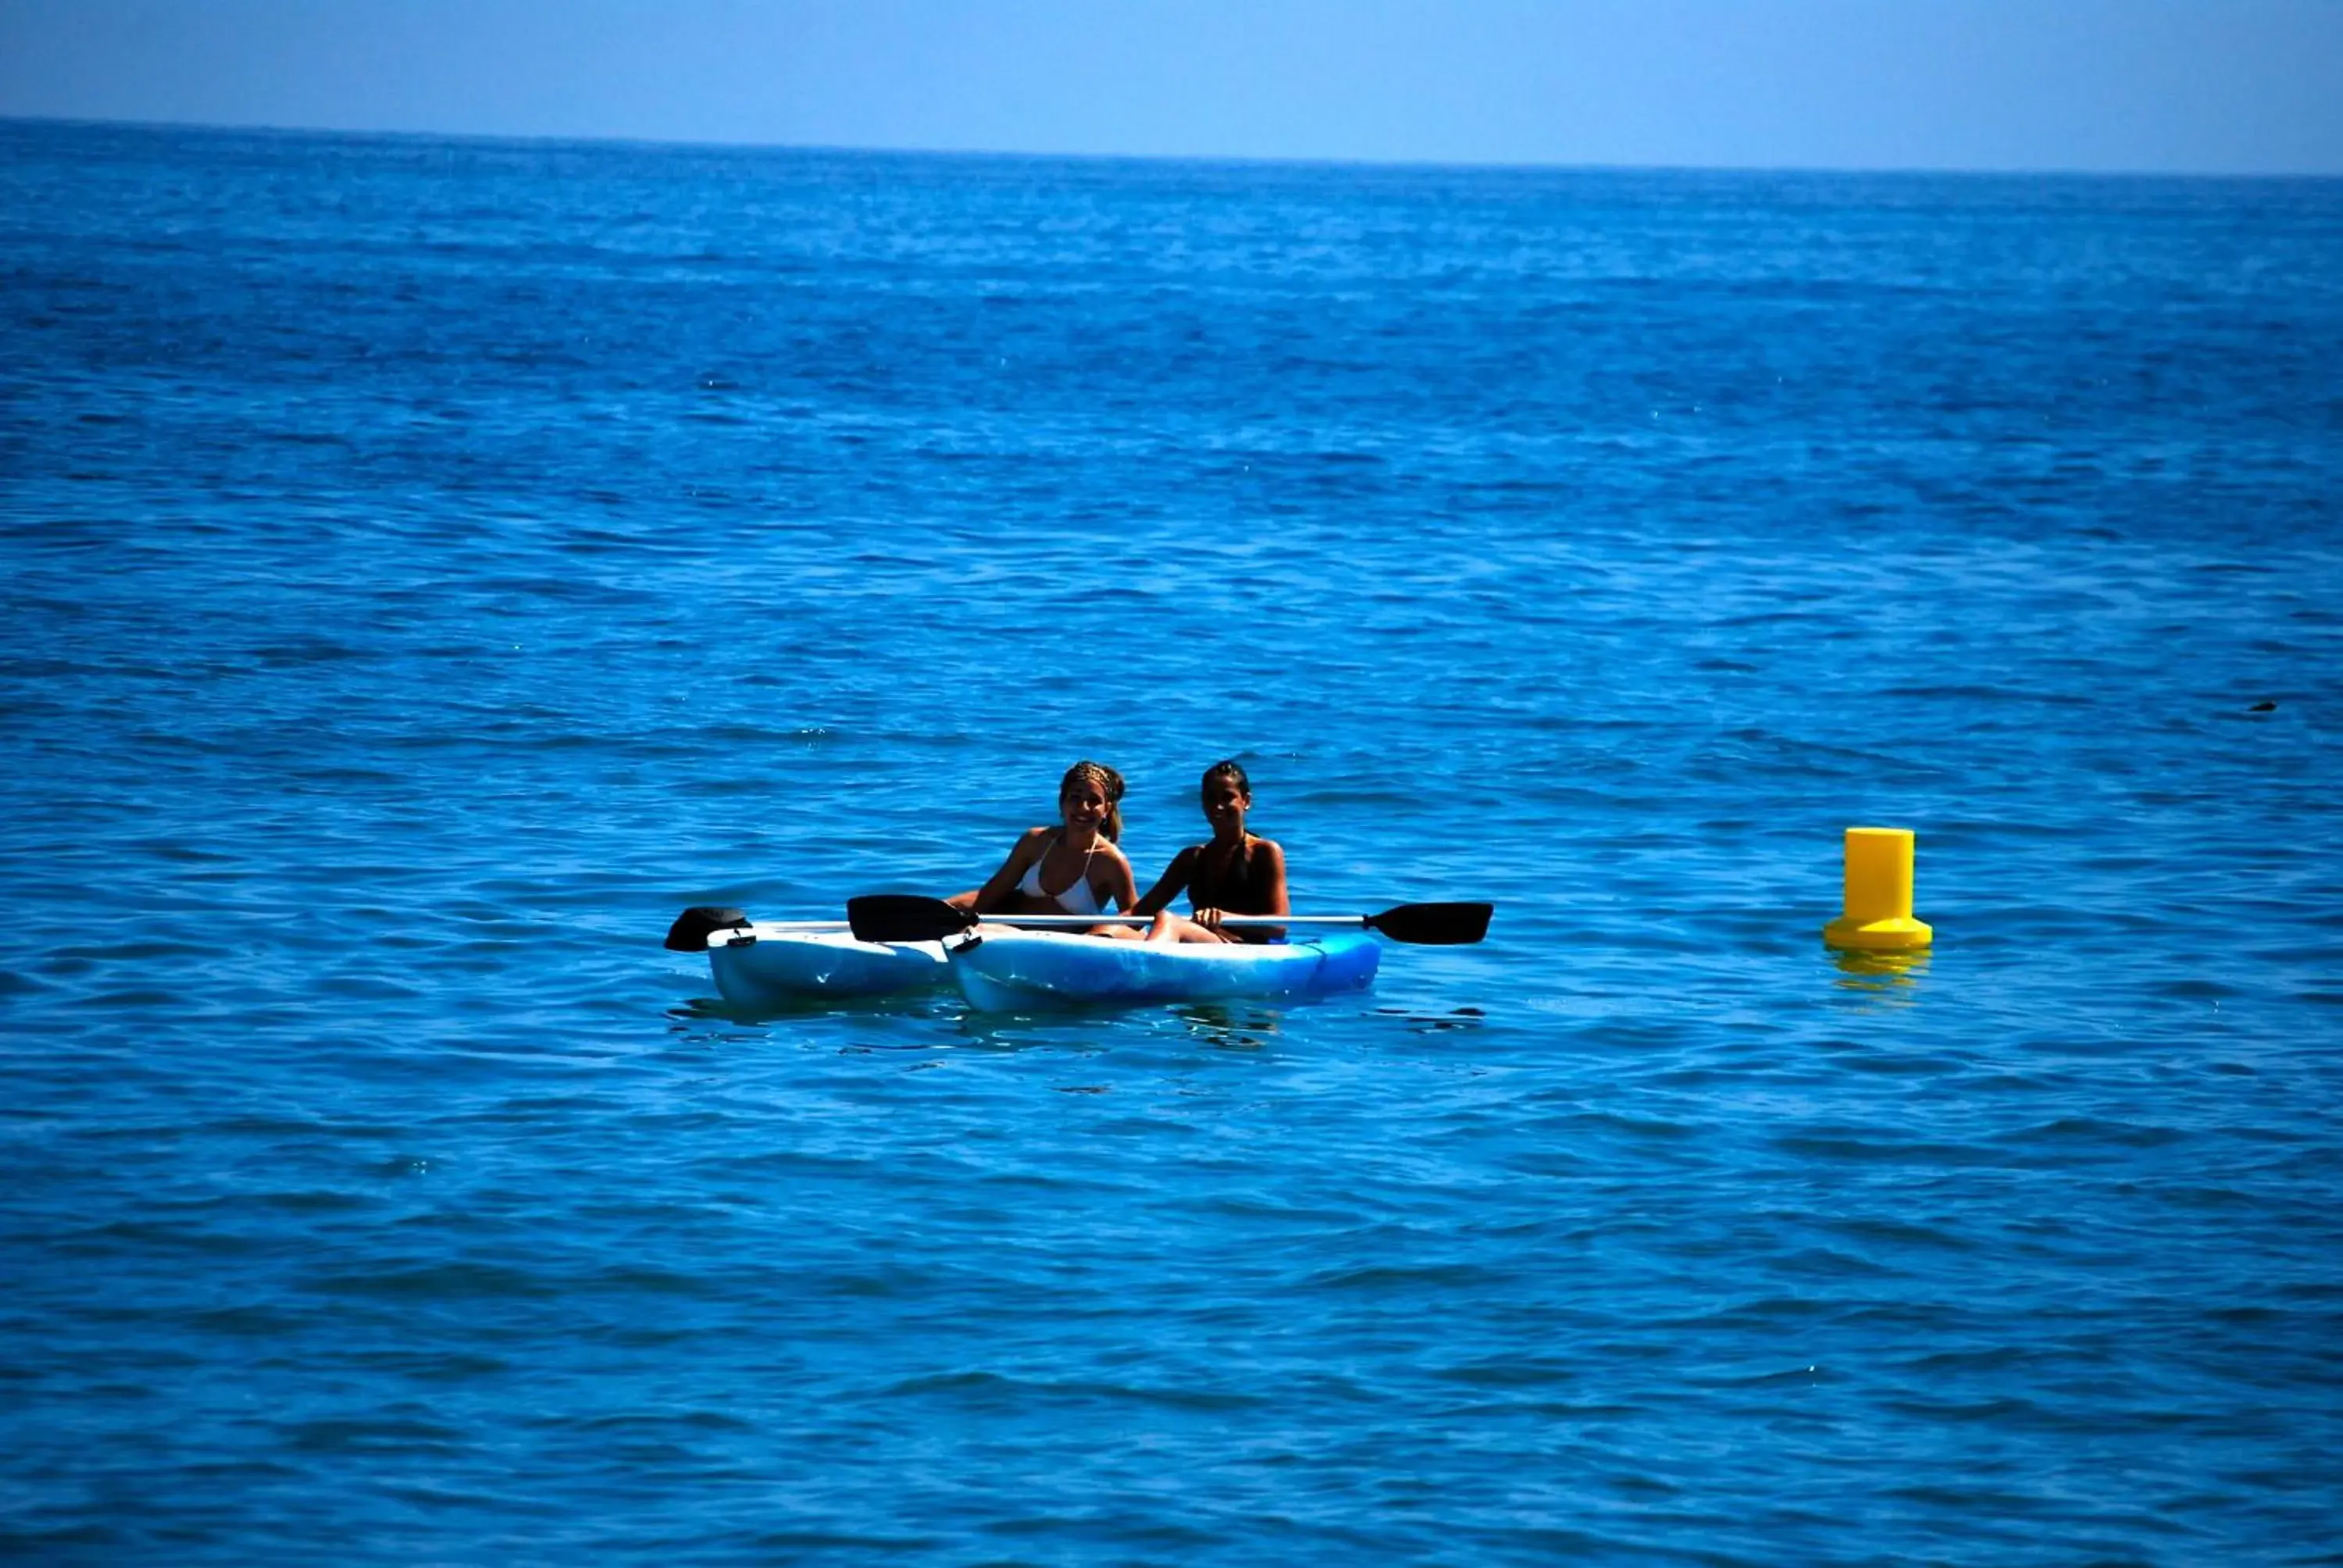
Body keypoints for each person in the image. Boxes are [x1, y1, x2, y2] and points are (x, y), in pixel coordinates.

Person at [952, 760, 1141, 934]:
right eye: (1075, 798)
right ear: (1062, 803)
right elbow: (989, 895)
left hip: (1068, 951)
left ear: (1106, 809)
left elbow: (1136, 924)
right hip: (1012, 940)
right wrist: (941, 911)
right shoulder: (1035, 841)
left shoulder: (1112, 862)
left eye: (1094, 801)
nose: (1083, 808)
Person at [1134, 760, 1289, 943]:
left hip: (1242, 952)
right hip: (1200, 947)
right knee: (1113, 930)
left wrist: (1223, 917)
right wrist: (1104, 927)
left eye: (1227, 797)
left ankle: (1145, 970)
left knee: (1168, 921)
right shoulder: (1192, 857)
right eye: (1211, 798)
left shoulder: (1264, 852)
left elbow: (1280, 927)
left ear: (1246, 801)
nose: (1218, 806)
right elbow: (1139, 913)